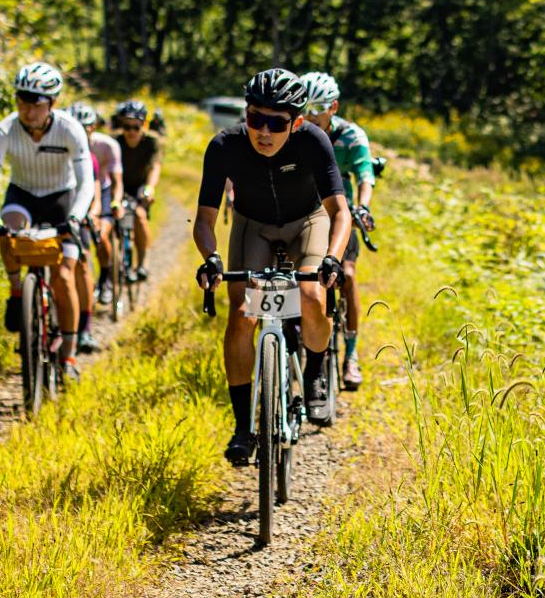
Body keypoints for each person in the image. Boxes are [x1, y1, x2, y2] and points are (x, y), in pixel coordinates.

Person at [193, 69, 351, 463]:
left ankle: (315, 373)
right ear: (245, 114)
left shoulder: (312, 141)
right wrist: (210, 258)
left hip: (307, 221)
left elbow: (339, 212)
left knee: (311, 294)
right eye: (255, 118)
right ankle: (242, 428)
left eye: (276, 123)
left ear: (296, 123)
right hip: (253, 225)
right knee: (241, 317)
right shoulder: (225, 146)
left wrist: (332, 257)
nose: (263, 131)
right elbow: (204, 219)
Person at [0, 62, 94, 381]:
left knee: (63, 277)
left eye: (36, 103)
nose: (28, 110)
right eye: (21, 101)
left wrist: (76, 217)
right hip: (24, 194)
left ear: (52, 103)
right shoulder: (5, 130)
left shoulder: (70, 129)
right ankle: (18, 290)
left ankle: (68, 356)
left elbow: (87, 182)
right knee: (6, 226)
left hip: (61, 199)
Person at [298, 71, 377, 391]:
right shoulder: (296, 131)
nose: (311, 116)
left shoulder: (351, 136)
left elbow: (365, 174)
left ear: (333, 107)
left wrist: (363, 206)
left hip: (339, 216)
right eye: (305, 108)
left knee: (348, 275)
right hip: (303, 215)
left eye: (318, 109)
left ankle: (352, 354)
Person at [71, 103, 123, 334]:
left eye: (86, 127)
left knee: (101, 236)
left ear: (93, 127)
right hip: (75, 192)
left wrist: (116, 202)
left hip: (102, 192)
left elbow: (116, 180)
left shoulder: (107, 146)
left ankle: (106, 277)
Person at [115, 99, 162, 279]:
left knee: (140, 217)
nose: (131, 132)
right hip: (119, 186)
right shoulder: (115, 142)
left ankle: (142, 263)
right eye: (127, 127)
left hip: (141, 187)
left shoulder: (151, 142)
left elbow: (155, 167)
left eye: (136, 127)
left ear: (143, 125)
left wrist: (150, 188)